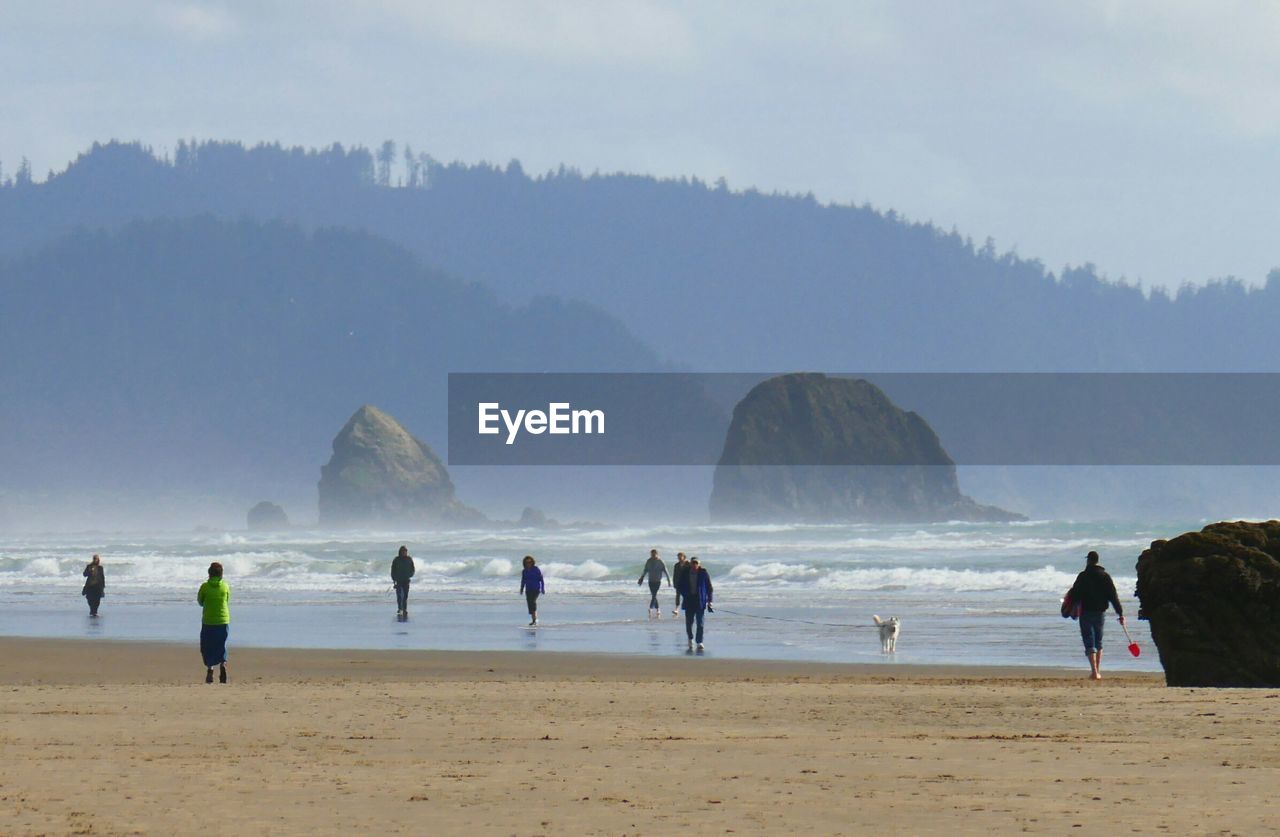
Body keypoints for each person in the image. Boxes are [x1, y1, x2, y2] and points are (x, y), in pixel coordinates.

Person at [1069, 551, 1125, 681]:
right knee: (1098, 641)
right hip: (1100, 612)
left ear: (1088, 560)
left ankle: (1094, 671)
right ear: (1097, 561)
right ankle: (1097, 671)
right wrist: (1120, 613)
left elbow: (1075, 594)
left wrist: (1070, 608)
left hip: (1085, 612)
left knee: (1089, 640)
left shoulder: (1082, 576)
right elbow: (1113, 596)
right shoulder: (1105, 576)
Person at [197, 561, 231, 684]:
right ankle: (223, 664)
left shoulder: (205, 587)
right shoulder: (225, 586)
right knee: (221, 644)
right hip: (223, 620)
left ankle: (210, 669)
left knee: (207, 646)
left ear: (209, 574)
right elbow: (227, 599)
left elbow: (200, 601)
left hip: (209, 620)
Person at [678, 557, 713, 651]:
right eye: (693, 563)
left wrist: (710, 601)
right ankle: (690, 638)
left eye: (696, 563)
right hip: (689, 600)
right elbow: (679, 586)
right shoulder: (685, 573)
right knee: (689, 623)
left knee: (700, 623)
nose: (694, 565)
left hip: (700, 601)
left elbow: (709, 588)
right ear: (690, 563)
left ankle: (699, 641)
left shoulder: (703, 573)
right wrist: (685, 594)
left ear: (699, 564)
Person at [637, 548, 670, 619]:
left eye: (654, 554)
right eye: (651, 554)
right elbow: (645, 570)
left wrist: (669, 580)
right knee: (654, 595)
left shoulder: (660, 561)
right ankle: (658, 609)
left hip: (658, 581)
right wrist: (641, 578)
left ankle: (650, 608)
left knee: (654, 595)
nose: (652, 555)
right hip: (650, 580)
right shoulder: (649, 561)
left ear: (657, 554)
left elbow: (665, 571)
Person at [520, 555, 544, 626]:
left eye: (530, 562)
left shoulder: (536, 569)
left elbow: (541, 579)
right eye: (527, 562)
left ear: (532, 562)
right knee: (529, 604)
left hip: (536, 589)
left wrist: (542, 588)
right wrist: (521, 588)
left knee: (533, 602)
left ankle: (534, 620)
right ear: (524, 563)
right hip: (528, 589)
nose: (528, 563)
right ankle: (533, 619)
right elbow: (523, 580)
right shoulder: (524, 571)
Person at [391, 545, 415, 617]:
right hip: (398, 580)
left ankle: (404, 609)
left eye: (405, 551)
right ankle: (400, 608)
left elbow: (412, 569)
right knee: (399, 595)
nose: (404, 553)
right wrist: (394, 579)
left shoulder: (409, 559)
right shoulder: (396, 559)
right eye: (403, 551)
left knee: (405, 596)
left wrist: (410, 574)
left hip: (406, 580)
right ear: (400, 552)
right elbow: (393, 570)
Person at [671, 552, 690, 616]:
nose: (679, 558)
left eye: (680, 556)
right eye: (678, 557)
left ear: (684, 557)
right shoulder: (676, 565)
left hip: (686, 583)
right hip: (678, 583)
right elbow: (675, 574)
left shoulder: (688, 564)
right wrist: (674, 582)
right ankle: (676, 609)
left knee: (686, 596)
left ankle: (687, 607)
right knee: (677, 595)